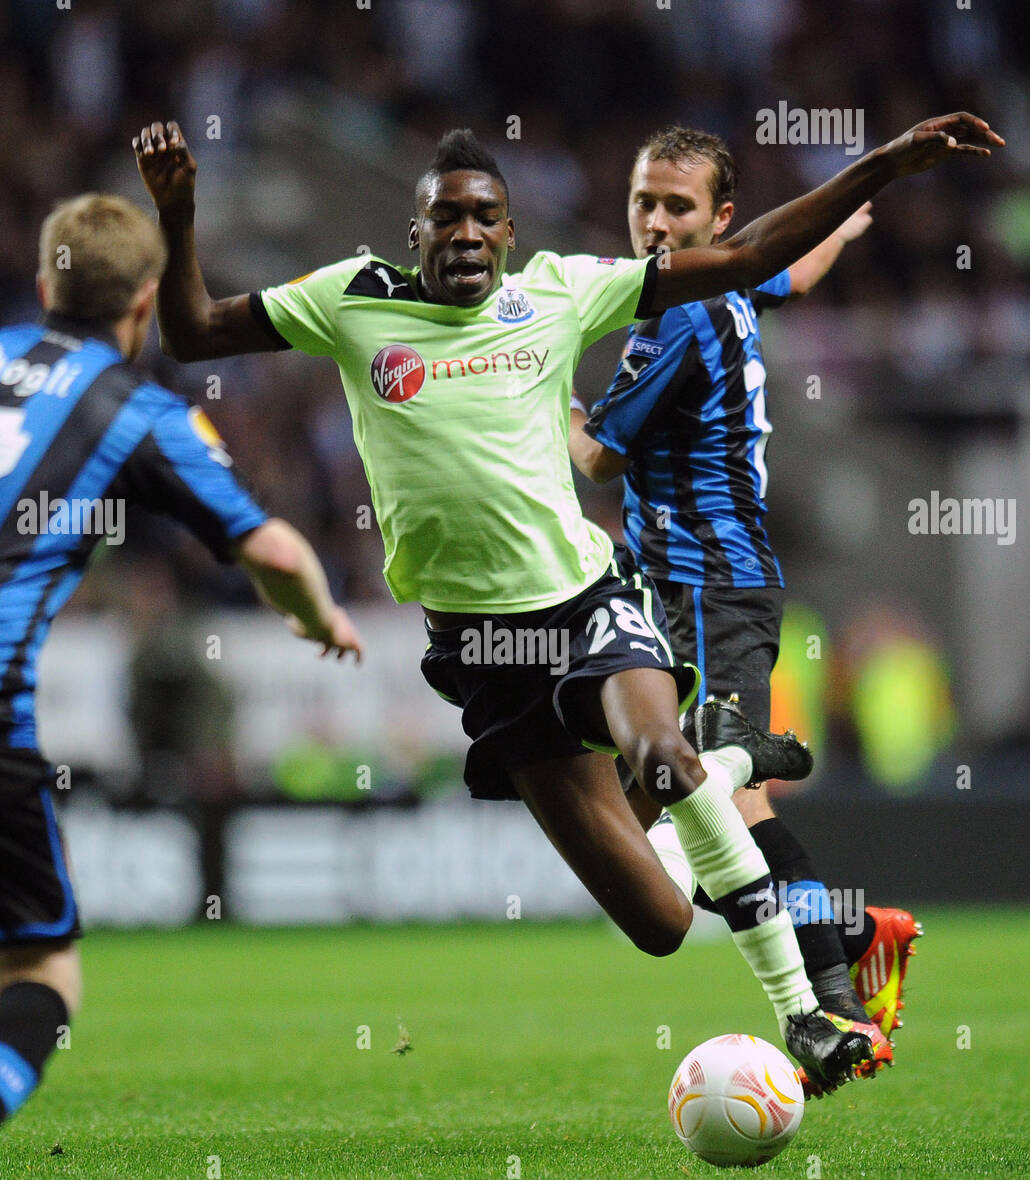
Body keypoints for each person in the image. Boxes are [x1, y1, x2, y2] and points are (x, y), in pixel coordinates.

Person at [133, 112, 1000, 1091]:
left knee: (664, 759)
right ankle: (732, 768)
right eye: (444, 218)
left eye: (484, 219)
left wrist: (884, 162)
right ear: (412, 234)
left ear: (509, 236)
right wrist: (179, 213)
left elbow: (753, 252)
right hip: (482, 657)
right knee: (662, 924)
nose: (464, 233)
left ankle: (806, 1013)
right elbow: (192, 328)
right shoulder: (349, 298)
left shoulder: (559, 291)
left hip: (590, 600)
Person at [567, 127, 923, 1092]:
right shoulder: (723, 279)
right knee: (693, 809)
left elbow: (597, 457)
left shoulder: (672, 318)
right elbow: (791, 274)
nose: (654, 222)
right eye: (643, 201)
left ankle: (835, 1001)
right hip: (683, 586)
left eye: (677, 208)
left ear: (719, 219)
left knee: (710, 798)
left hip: (706, 584)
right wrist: (839, 233)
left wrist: (528, 389)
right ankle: (849, 933)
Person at [0, 193, 363, 1127]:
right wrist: (319, 617)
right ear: (145, 302)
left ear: (46, 284)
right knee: (41, 967)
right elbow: (273, 550)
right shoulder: (139, 411)